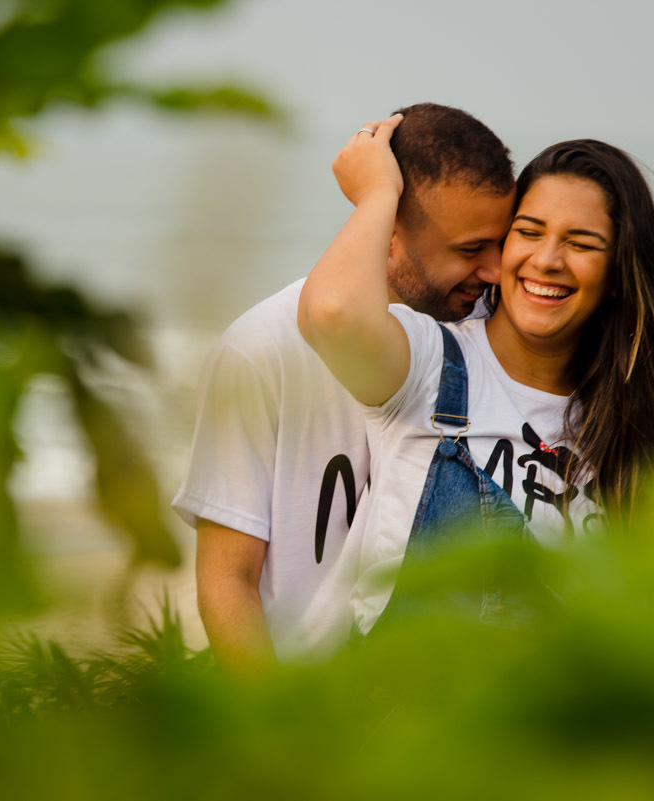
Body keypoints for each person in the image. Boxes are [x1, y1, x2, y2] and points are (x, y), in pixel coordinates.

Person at [298, 117, 654, 642]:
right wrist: (378, 195)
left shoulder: (634, 421)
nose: (546, 261)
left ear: (619, 272)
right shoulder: (431, 362)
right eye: (527, 233)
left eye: (581, 243)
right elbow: (331, 313)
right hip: (414, 710)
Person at [171, 104, 515, 671]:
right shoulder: (263, 348)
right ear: (388, 233)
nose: (495, 270)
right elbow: (228, 580)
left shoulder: (485, 334)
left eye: (501, 244)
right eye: (470, 249)